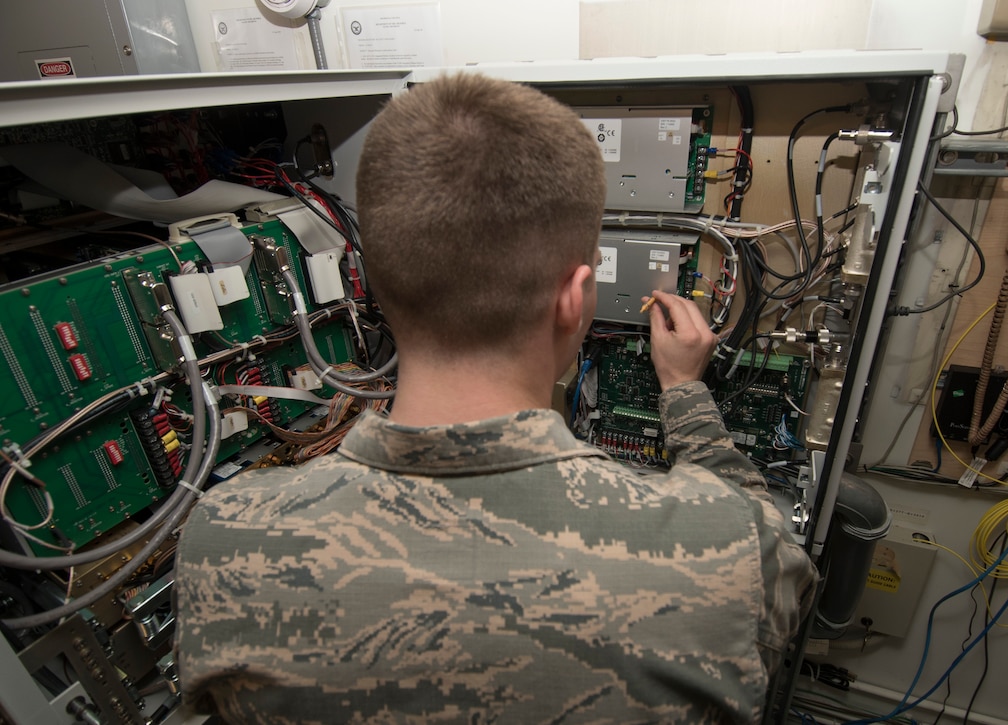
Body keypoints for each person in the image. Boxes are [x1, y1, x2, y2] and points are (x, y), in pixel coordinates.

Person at [174, 72, 816, 724]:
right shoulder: (726, 550)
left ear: (367, 281)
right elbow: (783, 574)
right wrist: (685, 393)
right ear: (577, 298)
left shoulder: (222, 538)